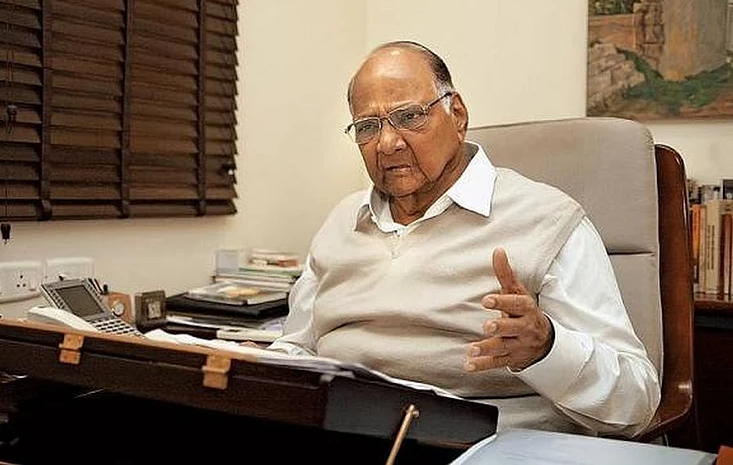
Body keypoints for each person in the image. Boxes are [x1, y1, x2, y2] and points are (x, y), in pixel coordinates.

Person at [268, 40, 660, 437]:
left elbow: (636, 402)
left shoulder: (546, 220)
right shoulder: (342, 221)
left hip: (486, 448)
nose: (387, 143)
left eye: (409, 116)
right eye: (368, 127)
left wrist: (547, 348)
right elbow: (298, 348)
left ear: (457, 114)